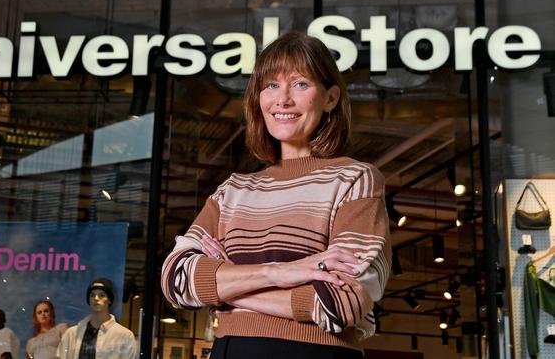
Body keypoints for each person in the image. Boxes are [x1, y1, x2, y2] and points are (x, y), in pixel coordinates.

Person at [160, 31, 391, 359]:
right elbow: (175, 280)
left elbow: (340, 305)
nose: (282, 100)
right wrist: (278, 273)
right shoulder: (233, 191)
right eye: (270, 85)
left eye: (300, 84)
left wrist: (222, 287)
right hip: (230, 351)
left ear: (330, 98)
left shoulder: (356, 180)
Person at [57, 278, 137, 359]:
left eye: (102, 295)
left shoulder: (124, 336)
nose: (96, 298)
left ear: (109, 300)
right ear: (89, 300)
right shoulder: (71, 334)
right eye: (92, 295)